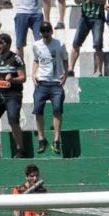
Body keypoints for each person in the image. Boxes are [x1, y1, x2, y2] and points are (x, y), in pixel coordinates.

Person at [31, 22, 68, 155]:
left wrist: (66, 73)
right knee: (38, 110)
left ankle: (57, 139)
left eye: (47, 31)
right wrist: (33, 73)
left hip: (56, 82)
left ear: (51, 31)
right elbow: (36, 60)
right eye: (43, 31)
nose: (45, 34)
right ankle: (42, 138)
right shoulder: (36, 45)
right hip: (42, 82)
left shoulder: (60, 44)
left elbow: (65, 59)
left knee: (57, 110)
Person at [68, 0, 104, 77]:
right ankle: (70, 69)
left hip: (98, 17)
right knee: (76, 42)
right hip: (84, 17)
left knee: (98, 44)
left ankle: (99, 71)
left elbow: (103, 2)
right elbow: (76, 2)